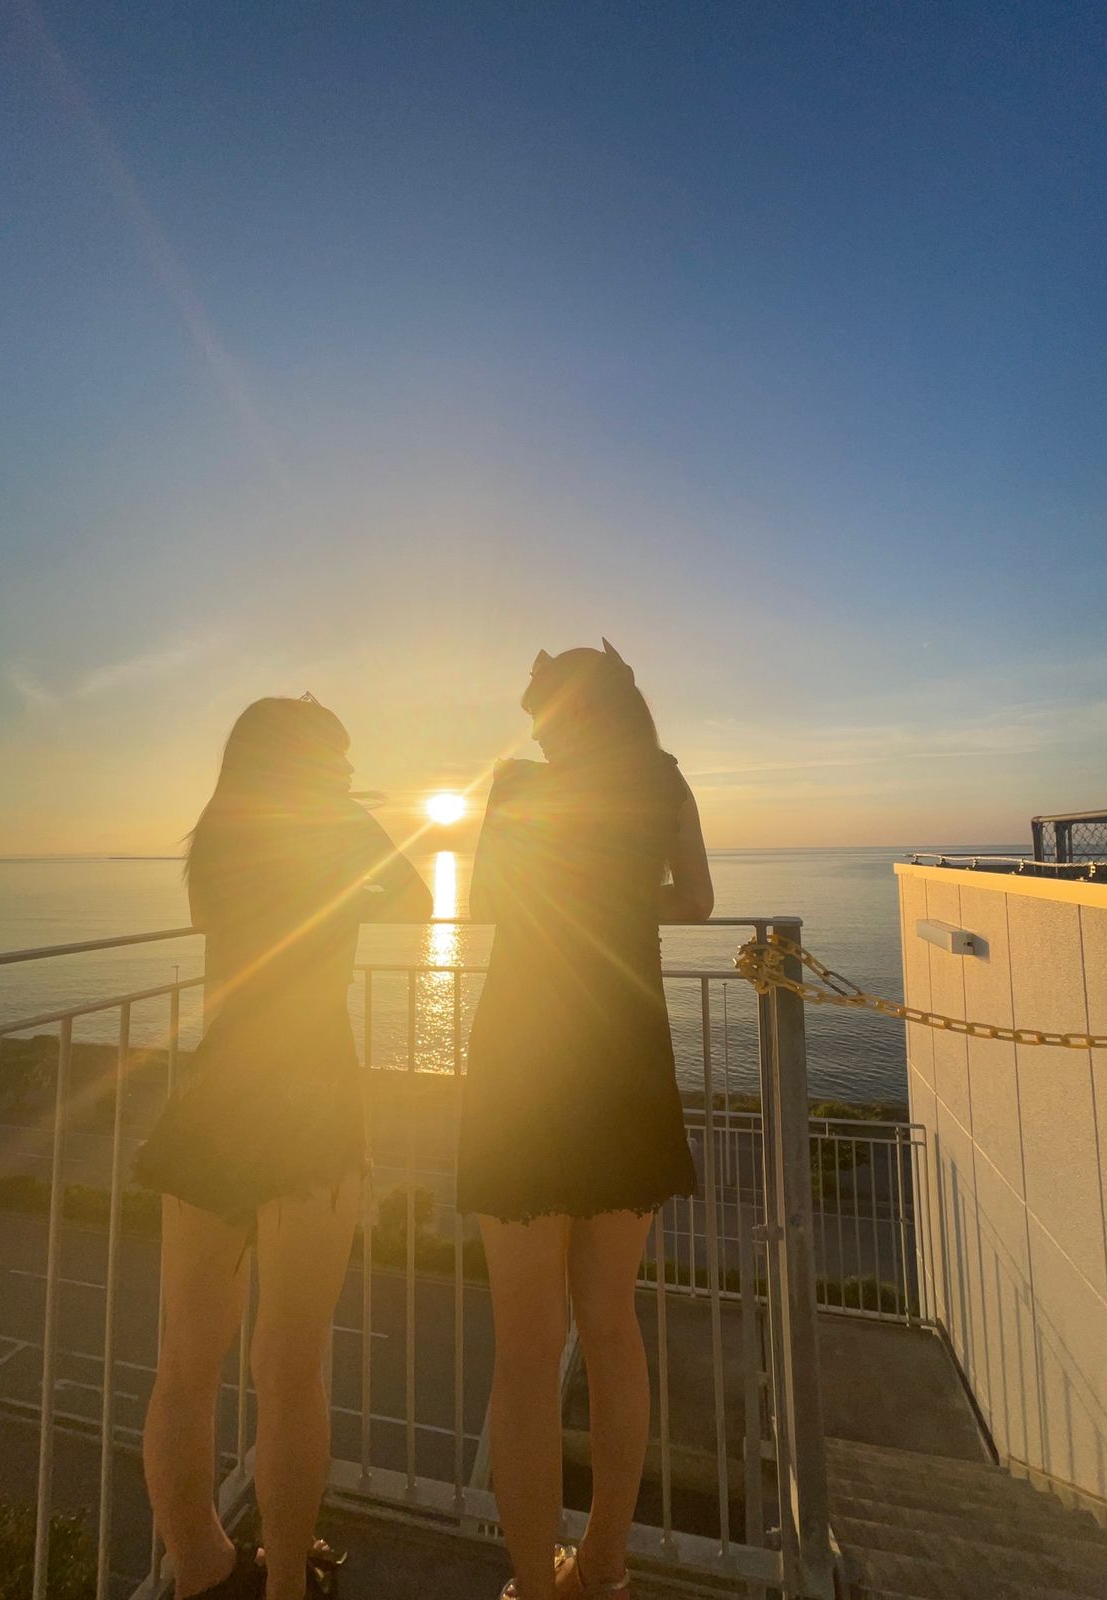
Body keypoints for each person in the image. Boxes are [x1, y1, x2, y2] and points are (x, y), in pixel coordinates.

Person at [134, 695, 431, 1600]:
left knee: (185, 1363)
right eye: (335, 760)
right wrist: (349, 808)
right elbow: (415, 901)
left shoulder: (220, 836)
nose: (346, 772)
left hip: (217, 1093)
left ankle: (197, 1573)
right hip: (310, 1100)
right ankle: (287, 1586)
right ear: (311, 765)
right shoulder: (332, 831)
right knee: (290, 1370)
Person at [456, 641, 714, 1600]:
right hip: (625, 1065)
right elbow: (696, 898)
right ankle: (603, 1568)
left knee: (526, 1350)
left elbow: (489, 900)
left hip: (524, 1067)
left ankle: (532, 1580)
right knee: (611, 1326)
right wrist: (617, 900)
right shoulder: (665, 780)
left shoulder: (518, 786)